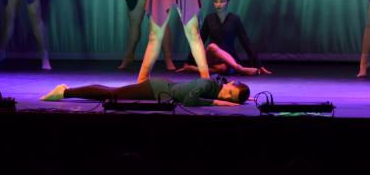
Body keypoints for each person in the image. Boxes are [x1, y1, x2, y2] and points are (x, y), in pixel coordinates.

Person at [177, 0, 271, 76]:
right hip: (212, 57)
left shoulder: (234, 19)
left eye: (222, 1)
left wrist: (258, 65)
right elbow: (199, 40)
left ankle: (194, 69)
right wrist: (188, 62)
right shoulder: (209, 18)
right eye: (216, 1)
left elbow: (245, 42)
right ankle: (240, 69)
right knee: (212, 46)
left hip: (229, 58)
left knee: (223, 68)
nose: (218, 4)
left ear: (228, 2)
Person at [40, 76, 250, 106]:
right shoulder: (210, 85)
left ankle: (66, 91)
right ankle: (65, 92)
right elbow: (189, 100)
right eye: (229, 92)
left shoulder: (214, 88)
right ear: (230, 83)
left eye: (230, 98)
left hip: (159, 89)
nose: (226, 96)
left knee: (112, 93)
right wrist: (218, 102)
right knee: (112, 94)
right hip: (156, 89)